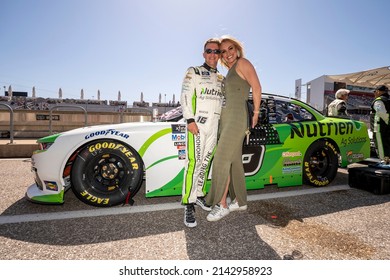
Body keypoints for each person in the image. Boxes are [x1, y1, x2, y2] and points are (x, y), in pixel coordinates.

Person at [206, 35, 262, 222]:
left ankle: (221, 204)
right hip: (226, 119)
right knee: (234, 161)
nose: (228, 53)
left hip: (237, 118)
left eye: (231, 49)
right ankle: (239, 200)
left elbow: (257, 87)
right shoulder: (230, 71)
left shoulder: (243, 63)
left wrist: (255, 113)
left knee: (221, 158)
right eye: (224, 51)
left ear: (237, 49)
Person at [180, 38, 225, 227]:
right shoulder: (194, 71)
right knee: (194, 163)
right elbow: (184, 96)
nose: (213, 55)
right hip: (197, 124)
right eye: (209, 51)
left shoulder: (222, 78)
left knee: (206, 163)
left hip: (214, 126)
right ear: (204, 53)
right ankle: (188, 204)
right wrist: (189, 119)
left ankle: (198, 194)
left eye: (217, 52)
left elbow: (224, 103)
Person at [370, 85, 390, 164]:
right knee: (387, 144)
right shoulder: (388, 99)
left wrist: (388, 120)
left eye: (375, 91)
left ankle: (383, 161)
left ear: (379, 91)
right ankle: (387, 160)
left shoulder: (378, 100)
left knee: (380, 144)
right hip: (387, 127)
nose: (374, 93)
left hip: (379, 127)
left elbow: (381, 112)